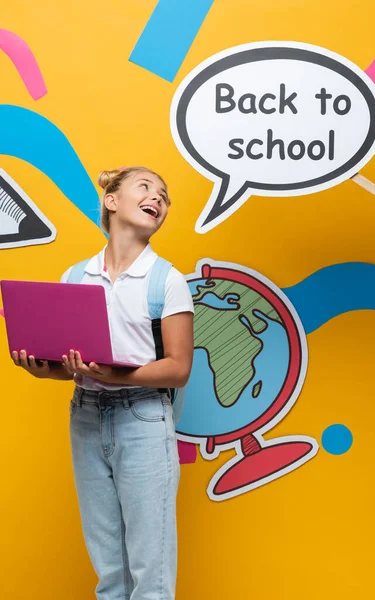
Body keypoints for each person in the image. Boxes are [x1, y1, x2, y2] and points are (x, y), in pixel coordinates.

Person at [11, 166, 194, 600]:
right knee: (110, 573)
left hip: (144, 419)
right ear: (111, 202)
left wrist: (118, 374)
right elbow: (70, 363)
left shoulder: (166, 281)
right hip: (87, 417)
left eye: (164, 196)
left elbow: (179, 368)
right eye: (146, 188)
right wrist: (43, 368)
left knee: (152, 577)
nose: (159, 199)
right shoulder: (75, 278)